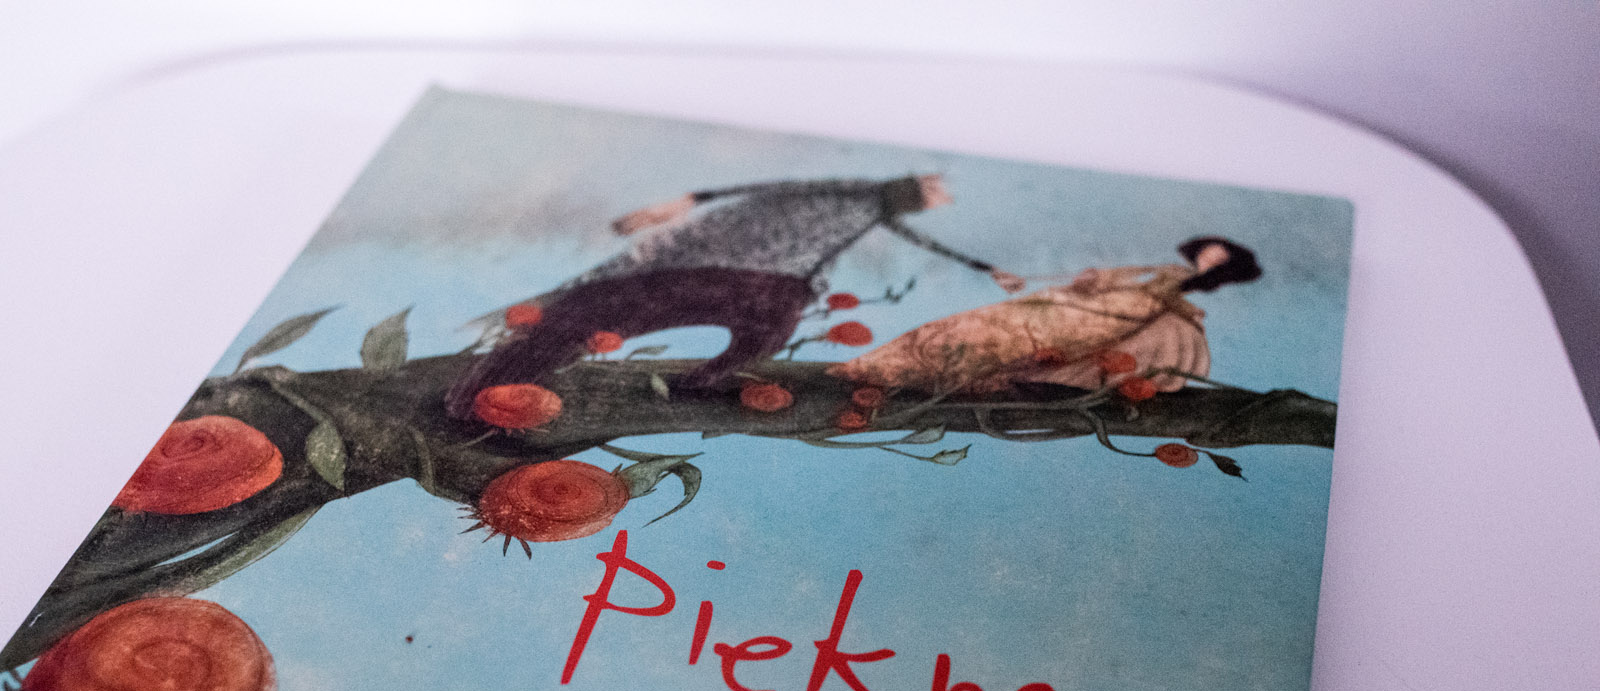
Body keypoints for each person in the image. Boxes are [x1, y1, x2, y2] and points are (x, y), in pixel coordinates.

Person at [444, 176, 1024, 417]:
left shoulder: (877, 214)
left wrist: (987, 268)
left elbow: (921, 239)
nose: (934, 201)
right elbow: (768, 186)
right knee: (614, 311)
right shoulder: (852, 190)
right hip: (733, 260)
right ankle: (493, 386)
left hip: (781, 277)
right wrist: (684, 202)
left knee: (768, 330)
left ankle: (700, 382)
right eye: (930, 191)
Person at [828, 237, 1261, 396]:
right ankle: (877, 367)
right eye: (1211, 250)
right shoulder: (1166, 271)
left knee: (1014, 340)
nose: (1211, 256)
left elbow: (1156, 299)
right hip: (1091, 306)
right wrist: (1095, 279)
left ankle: (905, 376)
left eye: (1219, 257)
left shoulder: (1180, 287)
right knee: (990, 323)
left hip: (1109, 317)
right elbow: (1123, 277)